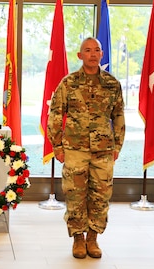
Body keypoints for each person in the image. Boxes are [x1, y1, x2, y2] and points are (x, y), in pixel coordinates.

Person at [47, 37, 125, 259]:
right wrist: (58, 146)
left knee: (101, 196)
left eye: (97, 50)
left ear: (102, 54)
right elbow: (55, 115)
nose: (93, 54)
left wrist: (117, 145)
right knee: (75, 195)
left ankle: (93, 237)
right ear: (80, 56)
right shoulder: (68, 83)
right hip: (74, 149)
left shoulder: (112, 84)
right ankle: (78, 239)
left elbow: (118, 116)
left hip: (103, 150)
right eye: (88, 50)